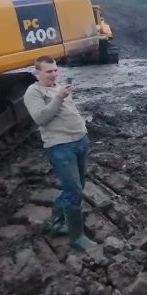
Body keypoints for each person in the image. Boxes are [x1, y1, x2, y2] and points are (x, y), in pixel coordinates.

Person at [23, 56, 92, 251]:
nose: (53, 74)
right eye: (48, 71)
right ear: (37, 73)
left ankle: (55, 222)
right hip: (60, 147)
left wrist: (83, 130)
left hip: (79, 142)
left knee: (78, 186)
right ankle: (76, 237)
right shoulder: (33, 92)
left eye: (55, 70)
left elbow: (70, 111)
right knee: (74, 191)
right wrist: (59, 97)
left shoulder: (58, 87)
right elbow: (40, 118)